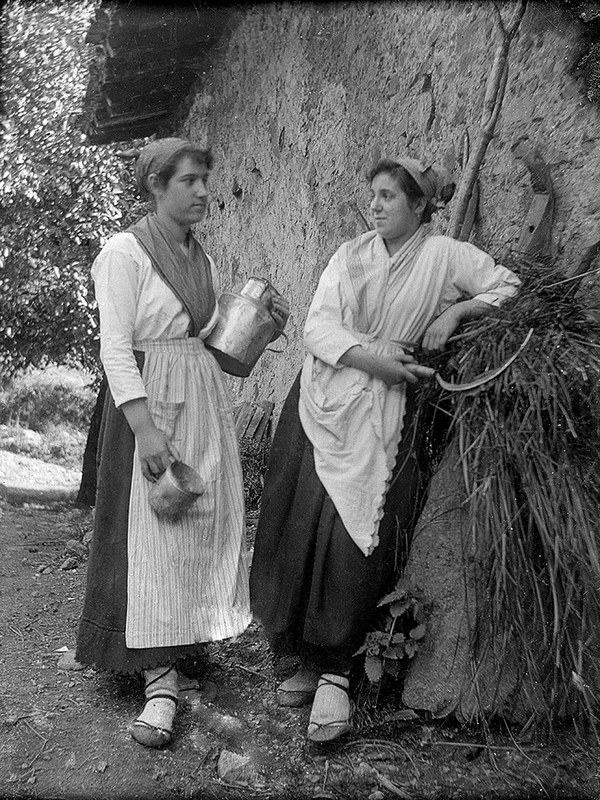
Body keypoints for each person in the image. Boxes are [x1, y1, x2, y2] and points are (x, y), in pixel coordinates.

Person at [249, 157, 520, 743]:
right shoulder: (350, 255)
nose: (375, 205)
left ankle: (337, 676)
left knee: (357, 535)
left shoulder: (445, 256)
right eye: (372, 194)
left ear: (420, 206)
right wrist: (371, 358)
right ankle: (303, 655)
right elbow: (318, 327)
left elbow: (508, 286)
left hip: (388, 411)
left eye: (389, 196)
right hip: (322, 396)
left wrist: (458, 309)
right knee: (304, 522)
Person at [76, 137, 288, 749]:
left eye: (204, 180)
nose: (202, 192)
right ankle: (157, 680)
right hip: (149, 401)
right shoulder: (124, 253)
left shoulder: (203, 259)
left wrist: (261, 324)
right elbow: (115, 347)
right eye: (189, 181)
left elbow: (218, 349)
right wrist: (145, 428)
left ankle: (181, 646)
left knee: (195, 523)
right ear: (156, 186)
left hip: (200, 398)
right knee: (151, 532)